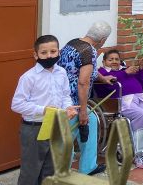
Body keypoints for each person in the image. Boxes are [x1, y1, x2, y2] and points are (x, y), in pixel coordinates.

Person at [11, 35, 79, 185]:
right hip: (34, 128)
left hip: (55, 126)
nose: (49, 55)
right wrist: (43, 110)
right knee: (31, 171)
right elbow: (16, 104)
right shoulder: (29, 77)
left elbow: (65, 95)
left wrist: (67, 108)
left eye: (53, 51)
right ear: (35, 55)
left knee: (51, 168)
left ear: (59, 52)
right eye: (44, 53)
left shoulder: (61, 72)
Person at [58, 21, 114, 176]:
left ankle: (88, 166)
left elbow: (89, 70)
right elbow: (83, 81)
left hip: (64, 97)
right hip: (73, 103)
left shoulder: (73, 43)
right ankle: (62, 172)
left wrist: (103, 78)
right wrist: (82, 110)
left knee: (92, 122)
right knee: (69, 137)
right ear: (102, 40)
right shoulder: (89, 52)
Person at [97, 50, 143, 170]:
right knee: (141, 115)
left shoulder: (124, 69)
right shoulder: (102, 72)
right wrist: (125, 73)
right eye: (110, 59)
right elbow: (109, 84)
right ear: (104, 62)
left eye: (117, 59)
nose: (114, 62)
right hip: (121, 100)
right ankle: (139, 155)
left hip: (140, 97)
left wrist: (141, 70)